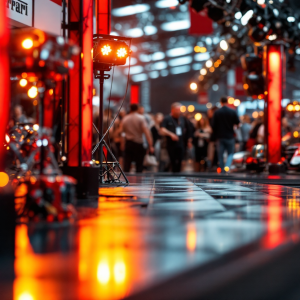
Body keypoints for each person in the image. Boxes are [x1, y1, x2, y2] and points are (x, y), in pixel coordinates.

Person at [120, 104, 154, 173]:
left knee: (127, 164)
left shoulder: (125, 118)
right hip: (138, 143)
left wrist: (122, 143)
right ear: (137, 109)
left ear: (130, 109)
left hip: (128, 143)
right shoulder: (141, 118)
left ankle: (126, 179)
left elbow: (122, 133)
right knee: (139, 164)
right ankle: (139, 181)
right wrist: (150, 145)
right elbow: (146, 132)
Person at [160, 102, 192, 172]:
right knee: (173, 160)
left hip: (181, 143)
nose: (179, 112)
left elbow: (189, 129)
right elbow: (162, 129)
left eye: (179, 110)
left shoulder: (182, 118)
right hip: (171, 144)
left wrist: (189, 141)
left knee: (180, 160)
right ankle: (173, 174)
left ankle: (178, 174)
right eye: (177, 110)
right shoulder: (167, 118)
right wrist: (171, 134)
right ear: (172, 110)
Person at [212, 96, 240, 172]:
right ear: (227, 102)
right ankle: (227, 167)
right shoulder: (232, 111)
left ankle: (221, 169)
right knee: (230, 153)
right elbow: (238, 123)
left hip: (220, 136)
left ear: (220, 102)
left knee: (220, 154)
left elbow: (213, 125)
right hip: (230, 136)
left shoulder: (217, 112)